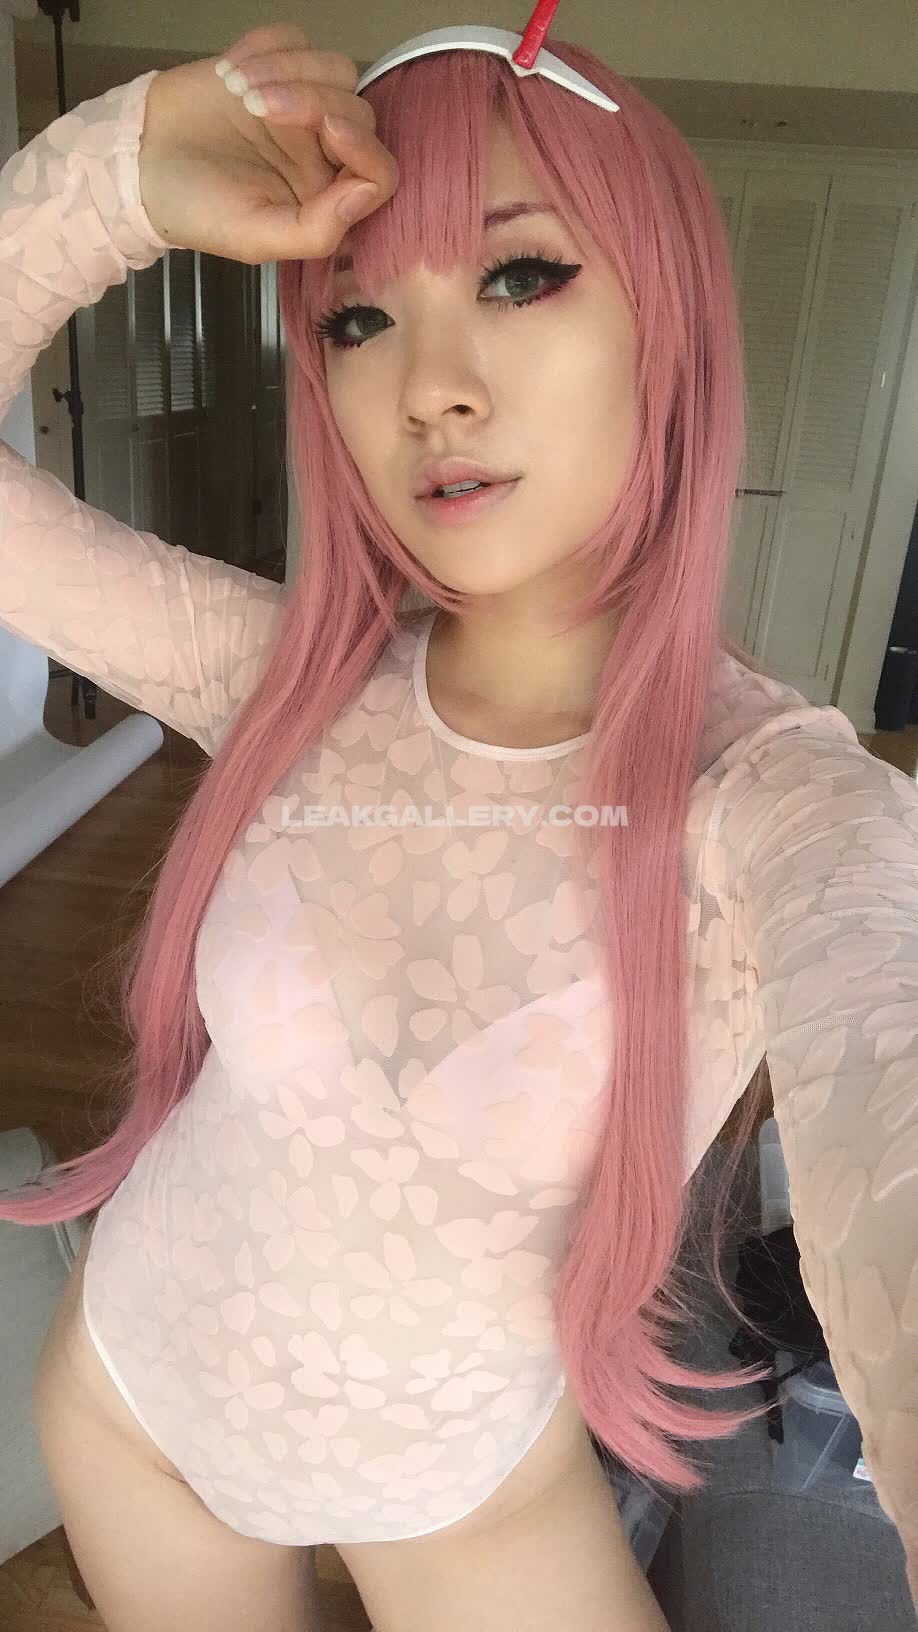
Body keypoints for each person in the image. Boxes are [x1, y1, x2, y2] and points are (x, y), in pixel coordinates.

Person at [0, 21, 915, 1632]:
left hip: (461, 1497)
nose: (429, 388)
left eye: (518, 274)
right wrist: (113, 175)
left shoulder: (777, 802)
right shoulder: (285, 684)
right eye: (358, 315)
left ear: (665, 326)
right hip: (137, 1406)